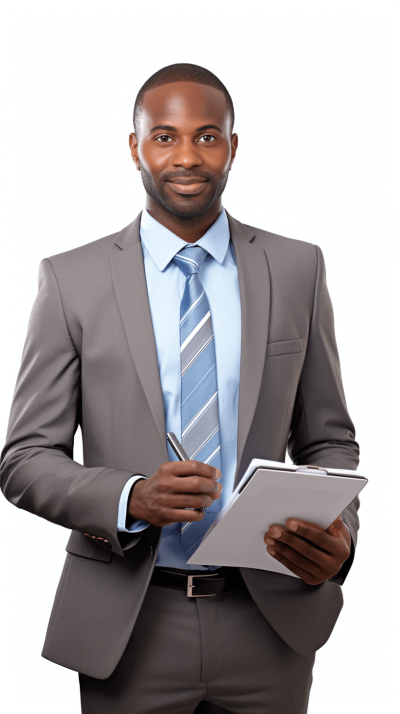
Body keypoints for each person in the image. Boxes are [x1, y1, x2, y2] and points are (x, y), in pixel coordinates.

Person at [0, 63, 360, 714]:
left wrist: (339, 535)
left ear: (233, 146)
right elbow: (23, 461)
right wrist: (131, 495)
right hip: (131, 622)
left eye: (207, 136)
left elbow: (330, 439)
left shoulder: (296, 267)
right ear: (133, 147)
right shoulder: (71, 280)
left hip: (270, 617)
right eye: (164, 137)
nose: (187, 156)